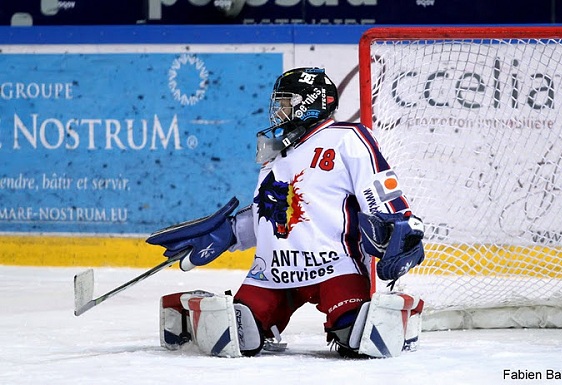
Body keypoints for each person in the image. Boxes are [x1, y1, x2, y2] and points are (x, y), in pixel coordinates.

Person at [147, 67, 426, 358]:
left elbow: (379, 186)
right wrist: (228, 233)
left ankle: (407, 308)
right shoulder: (276, 152)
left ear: (311, 103)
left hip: (335, 268)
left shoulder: (347, 137)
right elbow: (270, 213)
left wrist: (400, 223)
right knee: (236, 335)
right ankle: (187, 308)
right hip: (273, 272)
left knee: (357, 337)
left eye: (285, 102)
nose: (278, 111)